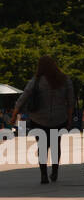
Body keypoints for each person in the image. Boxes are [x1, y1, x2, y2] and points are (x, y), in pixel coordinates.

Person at [13, 56, 76, 184]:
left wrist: (14, 115)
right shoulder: (65, 80)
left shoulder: (36, 80)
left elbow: (23, 97)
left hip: (38, 119)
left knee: (42, 146)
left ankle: (43, 175)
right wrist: (69, 119)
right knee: (55, 145)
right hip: (59, 118)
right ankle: (55, 171)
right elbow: (71, 102)